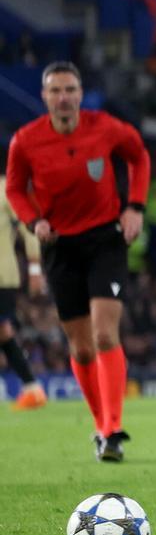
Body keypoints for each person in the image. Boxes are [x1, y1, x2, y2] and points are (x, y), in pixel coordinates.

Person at [5, 61, 150, 461]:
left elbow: (139, 156)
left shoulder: (105, 127)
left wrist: (135, 206)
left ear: (81, 94)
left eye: (70, 89)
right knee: (82, 349)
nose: (64, 97)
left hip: (105, 239)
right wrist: (34, 222)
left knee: (105, 335)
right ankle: (101, 423)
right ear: (45, 96)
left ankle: (113, 429)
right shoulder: (25, 141)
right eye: (56, 90)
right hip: (60, 246)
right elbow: (16, 189)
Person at [1, 174, 48, 410]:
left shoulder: (5, 190)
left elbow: (28, 227)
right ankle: (32, 388)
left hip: (2, 274)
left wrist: (35, 267)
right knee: (4, 332)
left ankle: (32, 388)